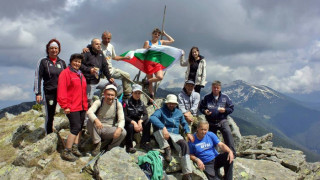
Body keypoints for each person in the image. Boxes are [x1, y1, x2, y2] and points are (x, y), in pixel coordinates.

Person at [150, 94, 193, 180]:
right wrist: (163, 127)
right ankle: (167, 149)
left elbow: (184, 123)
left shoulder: (179, 112)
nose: (171, 105)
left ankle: (187, 173)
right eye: (169, 103)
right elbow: (153, 118)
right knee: (157, 129)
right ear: (166, 103)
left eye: (173, 103)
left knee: (184, 145)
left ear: (176, 104)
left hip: (175, 135)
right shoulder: (161, 110)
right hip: (164, 135)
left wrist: (188, 132)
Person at [57, 53, 88, 162]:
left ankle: (75, 147)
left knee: (80, 128)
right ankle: (67, 151)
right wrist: (65, 106)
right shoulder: (65, 73)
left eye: (79, 62)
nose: (77, 63)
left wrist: (86, 106)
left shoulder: (80, 74)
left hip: (82, 106)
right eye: (75, 61)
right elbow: (61, 91)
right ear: (71, 61)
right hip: (72, 106)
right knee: (75, 128)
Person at [83, 31, 132, 98]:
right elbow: (91, 46)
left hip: (110, 69)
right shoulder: (98, 45)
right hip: (102, 72)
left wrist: (124, 58)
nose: (107, 40)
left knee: (126, 75)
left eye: (108, 38)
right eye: (105, 38)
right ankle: (102, 101)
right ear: (102, 38)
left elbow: (114, 57)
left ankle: (127, 95)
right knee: (105, 90)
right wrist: (86, 48)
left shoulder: (111, 46)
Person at [34, 39, 67, 134]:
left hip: (61, 92)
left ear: (59, 49)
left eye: (56, 48)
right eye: (51, 48)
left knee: (68, 111)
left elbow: (67, 77)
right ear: (48, 49)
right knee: (50, 114)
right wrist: (38, 93)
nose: (54, 50)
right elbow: (38, 77)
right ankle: (48, 133)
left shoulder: (62, 62)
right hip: (49, 92)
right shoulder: (43, 61)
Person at [86, 84, 127, 156]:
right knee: (90, 121)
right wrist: (96, 120)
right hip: (98, 127)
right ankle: (97, 144)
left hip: (109, 129)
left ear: (115, 96)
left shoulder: (118, 104)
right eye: (108, 94)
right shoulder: (99, 102)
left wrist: (119, 128)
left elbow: (122, 119)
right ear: (104, 94)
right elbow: (89, 112)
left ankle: (111, 149)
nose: (110, 97)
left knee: (123, 132)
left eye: (112, 95)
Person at [199, 81, 236, 156]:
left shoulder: (225, 97)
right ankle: (214, 155)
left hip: (222, 120)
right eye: (214, 87)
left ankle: (232, 153)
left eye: (217, 88)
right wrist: (205, 111)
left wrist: (225, 110)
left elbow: (231, 108)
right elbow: (201, 107)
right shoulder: (207, 97)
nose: (215, 89)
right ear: (212, 88)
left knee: (228, 133)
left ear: (220, 88)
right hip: (211, 121)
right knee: (211, 138)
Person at [142, 28, 175, 100]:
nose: (156, 35)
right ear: (152, 34)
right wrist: (147, 48)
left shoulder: (161, 42)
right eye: (155, 34)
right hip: (148, 62)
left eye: (158, 34)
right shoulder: (147, 42)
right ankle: (151, 97)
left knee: (160, 77)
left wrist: (165, 34)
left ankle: (146, 82)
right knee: (151, 83)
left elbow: (172, 41)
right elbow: (142, 52)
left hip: (157, 63)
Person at [80, 38, 114, 104]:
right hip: (89, 82)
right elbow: (80, 65)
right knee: (87, 102)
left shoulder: (101, 53)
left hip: (98, 80)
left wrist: (109, 77)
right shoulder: (86, 53)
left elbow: (105, 66)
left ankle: (102, 103)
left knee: (112, 85)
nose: (99, 46)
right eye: (96, 44)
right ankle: (87, 111)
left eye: (100, 44)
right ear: (92, 45)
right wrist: (89, 70)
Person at [123, 84, 152, 153]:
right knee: (130, 126)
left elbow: (146, 115)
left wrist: (140, 121)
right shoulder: (126, 102)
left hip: (138, 124)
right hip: (128, 123)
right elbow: (124, 116)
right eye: (135, 93)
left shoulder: (141, 103)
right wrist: (133, 122)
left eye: (139, 93)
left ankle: (143, 143)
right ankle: (129, 146)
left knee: (147, 121)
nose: (137, 95)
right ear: (132, 93)